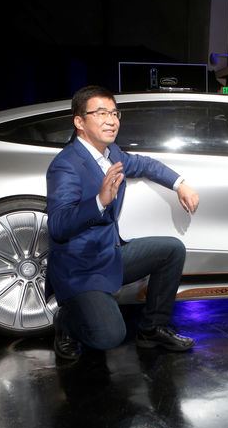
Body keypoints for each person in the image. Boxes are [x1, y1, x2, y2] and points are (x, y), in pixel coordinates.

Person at [46, 85, 200, 361]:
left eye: (114, 113)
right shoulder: (66, 165)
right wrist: (100, 200)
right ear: (79, 122)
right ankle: (66, 321)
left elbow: (143, 164)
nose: (111, 120)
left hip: (109, 254)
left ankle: (152, 329)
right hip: (81, 268)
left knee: (171, 249)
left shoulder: (112, 153)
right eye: (101, 113)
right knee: (109, 338)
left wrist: (180, 184)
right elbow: (59, 226)